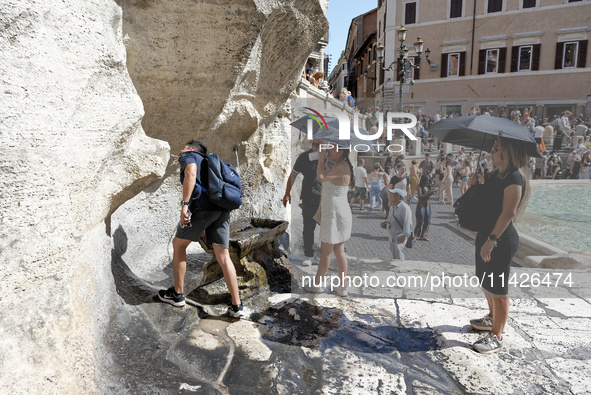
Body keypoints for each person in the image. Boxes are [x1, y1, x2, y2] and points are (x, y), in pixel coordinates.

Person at [158, 140, 249, 318]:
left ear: (191, 149)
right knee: (223, 256)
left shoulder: (189, 156)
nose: (180, 151)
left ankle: (177, 294)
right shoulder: (210, 163)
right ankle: (237, 306)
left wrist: (185, 204)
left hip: (201, 209)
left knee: (178, 245)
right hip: (221, 210)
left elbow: (191, 172)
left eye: (183, 148)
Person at [468, 137, 530, 354]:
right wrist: (475, 185)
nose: (492, 152)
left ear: (508, 153)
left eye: (497, 149)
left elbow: (509, 212)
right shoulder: (496, 175)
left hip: (500, 240)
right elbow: (487, 205)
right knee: (485, 282)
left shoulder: (514, 177)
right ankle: (492, 319)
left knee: (498, 289)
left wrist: (491, 241)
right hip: (487, 235)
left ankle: (497, 335)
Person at [304, 145, 353, 297]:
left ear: (341, 151)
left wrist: (320, 161)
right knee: (339, 250)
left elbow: (321, 178)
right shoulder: (341, 165)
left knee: (326, 251)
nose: (327, 151)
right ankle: (342, 286)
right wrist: (324, 166)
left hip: (333, 214)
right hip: (339, 212)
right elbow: (327, 179)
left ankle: (317, 284)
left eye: (331, 149)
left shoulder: (341, 166)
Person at [283, 139, 323, 266]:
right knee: (309, 226)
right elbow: (293, 174)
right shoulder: (304, 156)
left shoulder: (330, 156)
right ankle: (309, 255)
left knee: (330, 227)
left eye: (318, 145)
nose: (315, 147)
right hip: (309, 196)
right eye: (313, 144)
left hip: (326, 197)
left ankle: (336, 252)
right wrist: (287, 192)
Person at [384, 188, 412, 260]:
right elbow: (389, 219)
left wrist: (404, 236)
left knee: (399, 252)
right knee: (394, 254)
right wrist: (385, 224)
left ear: (398, 197)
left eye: (393, 195)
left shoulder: (405, 208)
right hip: (392, 235)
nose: (390, 196)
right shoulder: (392, 207)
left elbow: (407, 222)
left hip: (400, 235)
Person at [415, 175, 435, 241]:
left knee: (427, 220)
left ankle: (423, 235)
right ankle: (415, 234)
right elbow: (420, 196)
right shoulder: (419, 187)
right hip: (421, 204)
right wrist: (428, 194)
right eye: (426, 180)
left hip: (427, 204)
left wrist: (431, 192)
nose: (427, 182)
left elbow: (428, 194)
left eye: (428, 180)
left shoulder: (428, 186)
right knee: (420, 221)